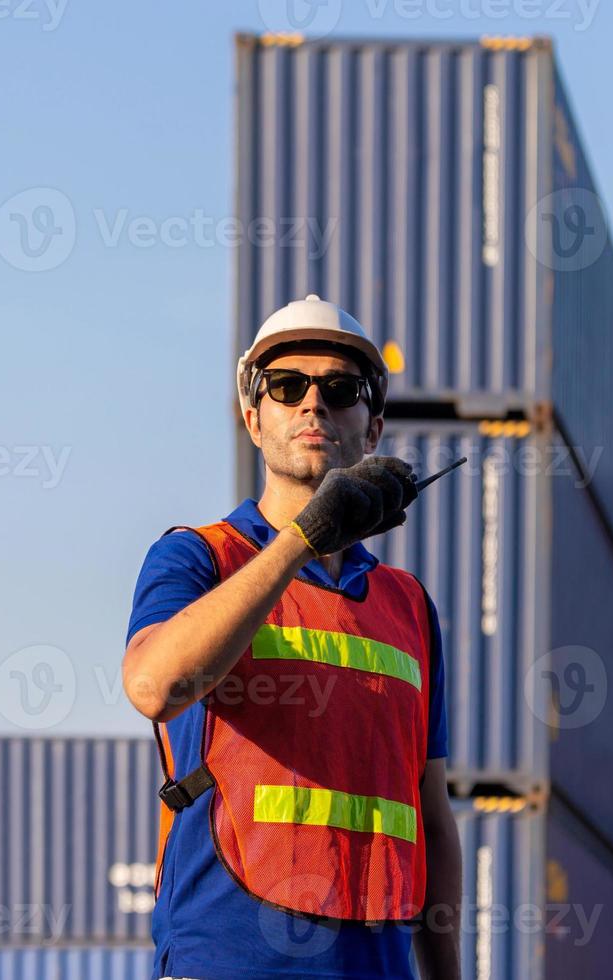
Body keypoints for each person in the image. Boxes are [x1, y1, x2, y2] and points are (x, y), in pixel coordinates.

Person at [124, 295, 462, 980]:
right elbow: (155, 686)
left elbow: (429, 812)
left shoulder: (407, 606)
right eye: (287, 387)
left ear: (372, 429)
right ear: (254, 417)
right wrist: (302, 540)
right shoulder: (197, 558)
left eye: (341, 390)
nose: (314, 405)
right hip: (228, 961)